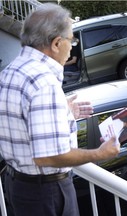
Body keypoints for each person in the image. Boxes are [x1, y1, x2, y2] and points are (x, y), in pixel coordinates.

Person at [0, 3, 120, 216]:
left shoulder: (12, 70)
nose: (72, 46)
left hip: (17, 183)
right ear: (56, 43)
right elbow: (48, 157)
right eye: (71, 40)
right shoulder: (44, 83)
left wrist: (63, 114)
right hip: (45, 193)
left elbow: (19, 118)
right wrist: (99, 153)